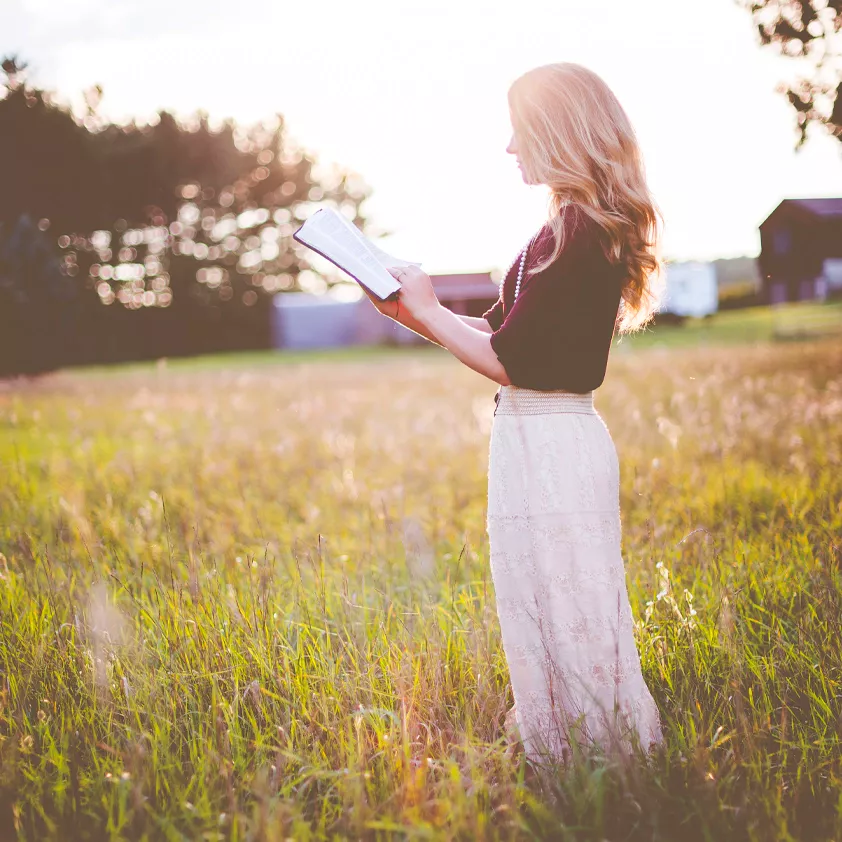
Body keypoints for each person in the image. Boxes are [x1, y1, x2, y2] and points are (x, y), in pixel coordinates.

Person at [361, 62, 663, 766]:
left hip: (553, 441)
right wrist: (413, 312)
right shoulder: (565, 230)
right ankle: (569, 750)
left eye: (518, 130)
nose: (508, 148)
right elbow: (502, 336)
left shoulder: (580, 234)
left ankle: (604, 760)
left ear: (559, 133)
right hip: (538, 440)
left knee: (572, 604)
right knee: (541, 597)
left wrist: (430, 310)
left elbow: (510, 359)